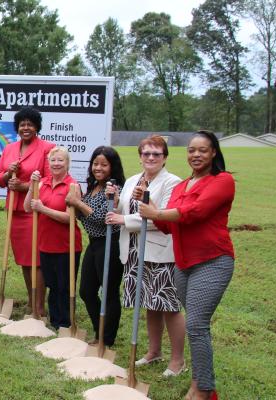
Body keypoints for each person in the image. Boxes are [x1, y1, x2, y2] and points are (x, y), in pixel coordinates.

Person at [139, 130, 234, 400]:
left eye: (203, 150)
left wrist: (156, 212)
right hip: (184, 264)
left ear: (214, 152)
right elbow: (169, 225)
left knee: (197, 325)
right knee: (196, 325)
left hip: (213, 260)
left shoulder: (222, 181)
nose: (196, 154)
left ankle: (203, 389)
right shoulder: (182, 187)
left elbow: (195, 212)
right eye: (192, 150)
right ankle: (199, 382)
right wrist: (151, 205)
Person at [106, 134, 185, 376]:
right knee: (149, 303)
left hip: (159, 252)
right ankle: (154, 351)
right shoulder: (132, 180)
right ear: (140, 157)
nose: (151, 157)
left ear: (165, 158)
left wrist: (123, 219)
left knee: (168, 305)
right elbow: (124, 208)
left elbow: (162, 216)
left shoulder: (172, 183)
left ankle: (178, 361)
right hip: (133, 250)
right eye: (146, 153)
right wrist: (116, 199)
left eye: (156, 154)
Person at [0, 107, 55, 318]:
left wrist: (24, 186)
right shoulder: (10, 149)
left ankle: (39, 306)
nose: (25, 127)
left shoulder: (47, 148)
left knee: (36, 260)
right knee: (24, 260)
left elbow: (49, 181)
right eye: (22, 124)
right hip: (15, 211)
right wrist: (9, 172)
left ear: (37, 127)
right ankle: (31, 300)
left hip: (34, 211)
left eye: (30, 124)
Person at [65, 146, 126, 346]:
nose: (98, 168)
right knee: (86, 291)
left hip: (110, 243)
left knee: (108, 291)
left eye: (104, 164)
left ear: (112, 167)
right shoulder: (93, 186)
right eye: (95, 163)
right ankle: (99, 330)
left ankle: (106, 339)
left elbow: (101, 218)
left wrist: (78, 203)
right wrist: (77, 202)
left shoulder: (113, 189)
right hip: (94, 243)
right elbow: (85, 217)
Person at [24, 147, 82, 329]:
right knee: (51, 285)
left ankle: (64, 323)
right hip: (45, 243)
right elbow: (27, 207)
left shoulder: (73, 186)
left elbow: (70, 218)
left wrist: (43, 209)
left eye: (60, 161)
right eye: (53, 160)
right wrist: (32, 186)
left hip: (66, 245)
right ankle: (54, 321)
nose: (56, 164)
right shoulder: (42, 183)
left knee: (64, 287)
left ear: (67, 164)